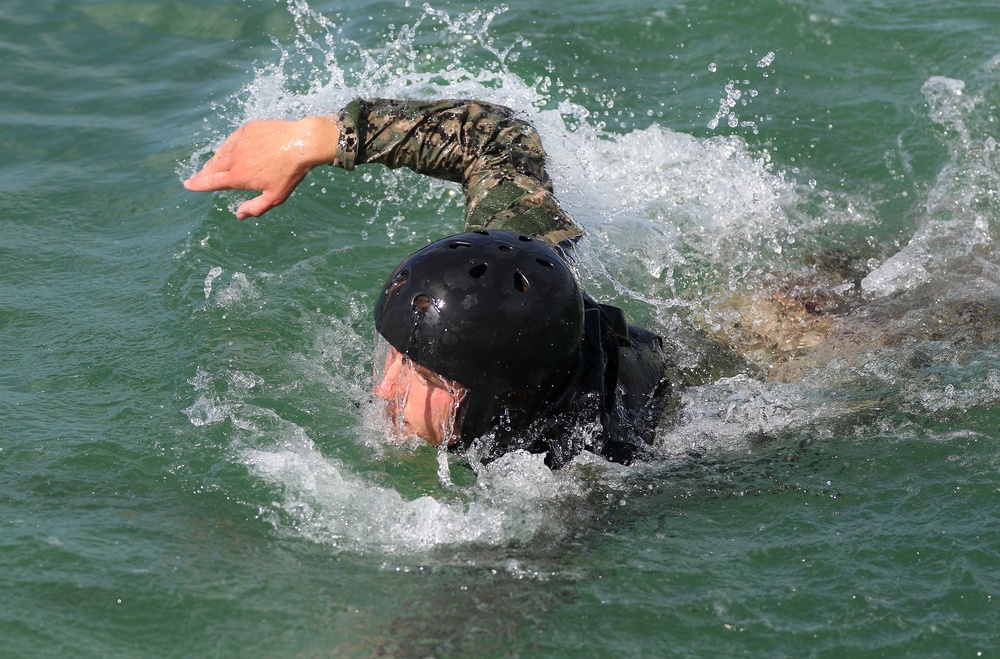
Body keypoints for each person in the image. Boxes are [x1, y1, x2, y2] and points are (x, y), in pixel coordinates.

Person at [185, 98, 679, 468]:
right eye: (398, 358)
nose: (382, 390)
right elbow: (496, 141)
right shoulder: (521, 260)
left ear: (493, 400)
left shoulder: (576, 471)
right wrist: (321, 138)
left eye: (423, 378)